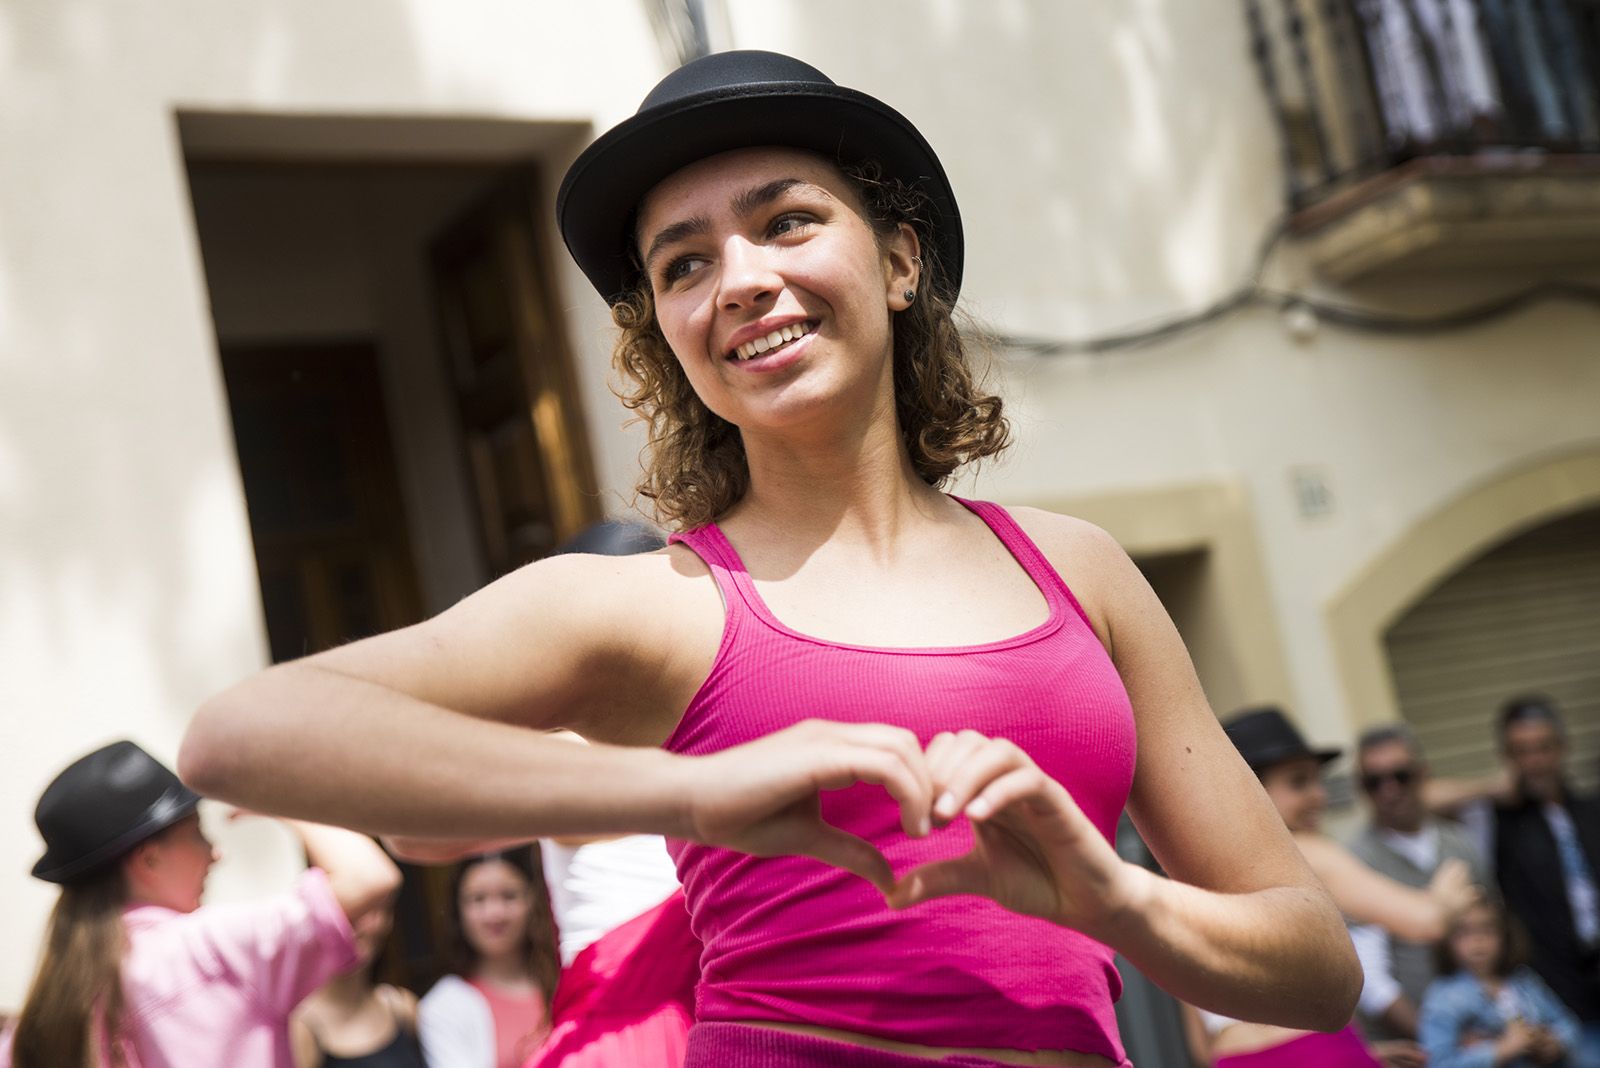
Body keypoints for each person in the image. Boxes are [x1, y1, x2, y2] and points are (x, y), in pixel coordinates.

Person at [180, 49, 1363, 1067]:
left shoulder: (1082, 572)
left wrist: (1116, 900)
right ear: (670, 341)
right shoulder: (654, 606)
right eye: (683, 263)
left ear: (900, 262)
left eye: (787, 220)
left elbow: (1317, 967)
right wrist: (692, 790)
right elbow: (239, 736)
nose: (740, 278)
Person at [0, 739, 398, 1068]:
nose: (215, 852)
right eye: (197, 834)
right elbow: (368, 877)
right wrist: (282, 799)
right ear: (149, 860)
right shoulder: (209, 950)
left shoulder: (42, 1020)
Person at [1187, 707, 1478, 1068]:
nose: (1319, 795)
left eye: (1317, 780)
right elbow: (1426, 920)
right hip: (1320, 1049)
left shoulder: (1188, 875)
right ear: (1250, 790)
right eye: (1299, 782)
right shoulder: (1302, 851)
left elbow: (1202, 1045)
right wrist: (1449, 896)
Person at [1457, 697, 1600, 1062]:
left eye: (1543, 748)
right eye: (1520, 751)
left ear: (1562, 748)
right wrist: (1492, 787)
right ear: (1506, 757)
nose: (1534, 761)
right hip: (1555, 991)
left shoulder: (1588, 809)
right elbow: (1420, 799)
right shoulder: (1491, 821)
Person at [1349, 724, 1492, 1043]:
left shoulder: (1460, 843)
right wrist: (1443, 1042)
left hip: (1488, 1035)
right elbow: (1372, 985)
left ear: (1423, 773)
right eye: (1374, 782)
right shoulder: (1354, 862)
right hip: (1412, 1046)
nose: (1389, 789)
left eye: (1401, 775)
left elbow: (1496, 933)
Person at [417, 850, 556, 1068]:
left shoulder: (564, 978)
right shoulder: (444, 1006)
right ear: (459, 910)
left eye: (509, 896)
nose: (494, 913)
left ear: (533, 901)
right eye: (478, 899)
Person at [1418, 897, 1591, 1068]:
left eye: (1488, 930)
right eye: (1465, 932)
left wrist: (1555, 1043)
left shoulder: (1524, 981)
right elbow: (1438, 1062)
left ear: (1505, 935)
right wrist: (1502, 1050)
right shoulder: (1444, 997)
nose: (1478, 941)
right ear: (1447, 940)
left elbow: (1567, 1023)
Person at [290, 884, 425, 1068]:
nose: (365, 924)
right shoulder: (301, 1027)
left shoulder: (403, 1008)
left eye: (375, 910)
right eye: (349, 912)